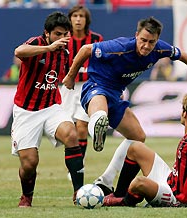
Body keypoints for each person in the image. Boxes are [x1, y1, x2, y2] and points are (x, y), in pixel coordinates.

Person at [63, 17, 187, 194]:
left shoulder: (160, 48)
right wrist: (71, 76)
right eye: (143, 41)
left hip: (116, 95)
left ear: (156, 40)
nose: (147, 46)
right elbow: (86, 49)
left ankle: (106, 180)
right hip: (96, 86)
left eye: (151, 42)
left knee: (138, 136)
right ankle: (97, 130)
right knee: (100, 113)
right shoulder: (120, 47)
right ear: (136, 36)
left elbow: (182, 55)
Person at [103, 92, 187, 208]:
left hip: (176, 197)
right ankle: (119, 194)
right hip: (170, 179)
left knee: (139, 183)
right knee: (136, 148)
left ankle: (125, 201)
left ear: (184, 114)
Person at [11, 11, 84, 207]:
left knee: (71, 134)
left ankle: (79, 192)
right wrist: (48, 48)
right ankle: (27, 196)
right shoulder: (36, 42)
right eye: (57, 34)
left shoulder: (66, 54)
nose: (62, 39)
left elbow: (75, 72)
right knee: (29, 163)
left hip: (52, 107)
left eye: (64, 35)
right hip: (26, 111)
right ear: (47, 33)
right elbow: (18, 52)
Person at [59, 5, 103, 182]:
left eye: (81, 16)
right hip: (67, 87)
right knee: (67, 129)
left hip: (87, 86)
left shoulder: (96, 39)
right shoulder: (63, 40)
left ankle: (79, 164)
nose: (78, 19)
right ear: (70, 19)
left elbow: (102, 62)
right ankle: (74, 160)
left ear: (86, 20)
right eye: (75, 16)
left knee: (82, 127)